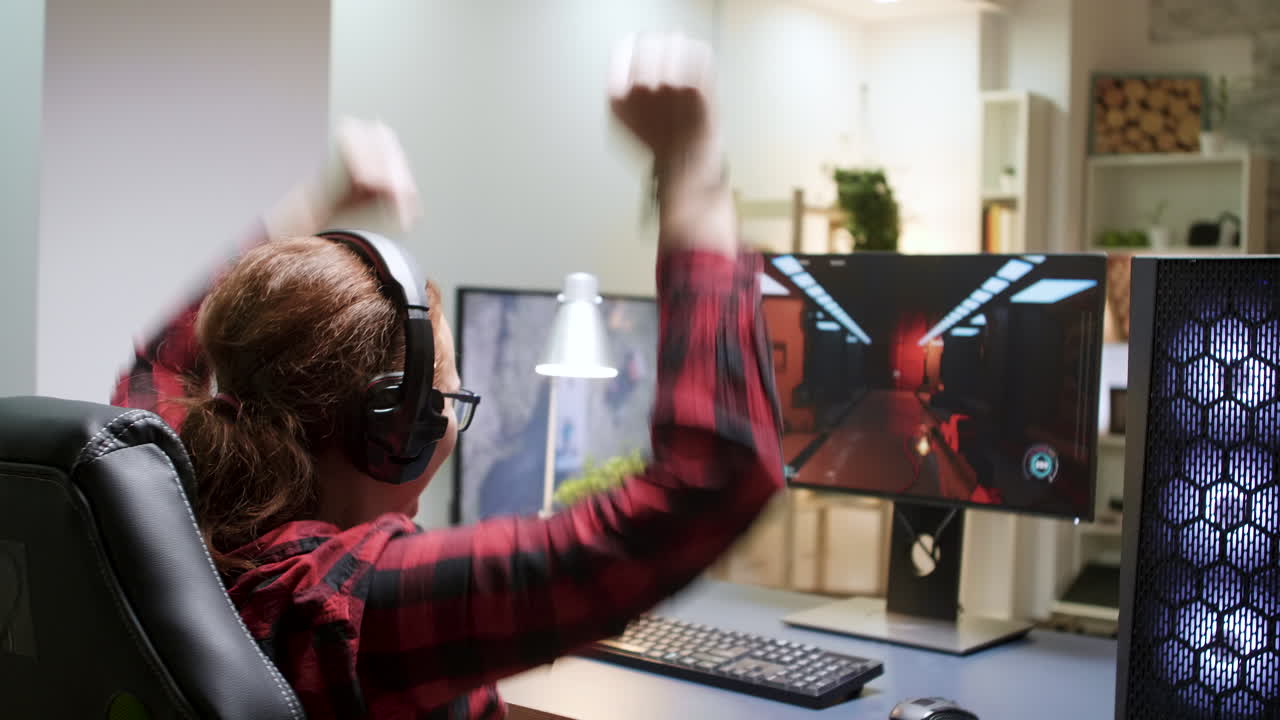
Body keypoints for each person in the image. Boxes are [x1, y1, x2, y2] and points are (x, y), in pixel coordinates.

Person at [113, 34, 782, 720]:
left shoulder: (162, 508)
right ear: (393, 429)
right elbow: (715, 476)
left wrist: (321, 204)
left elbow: (161, 355)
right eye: (448, 402)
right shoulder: (357, 608)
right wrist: (690, 168)